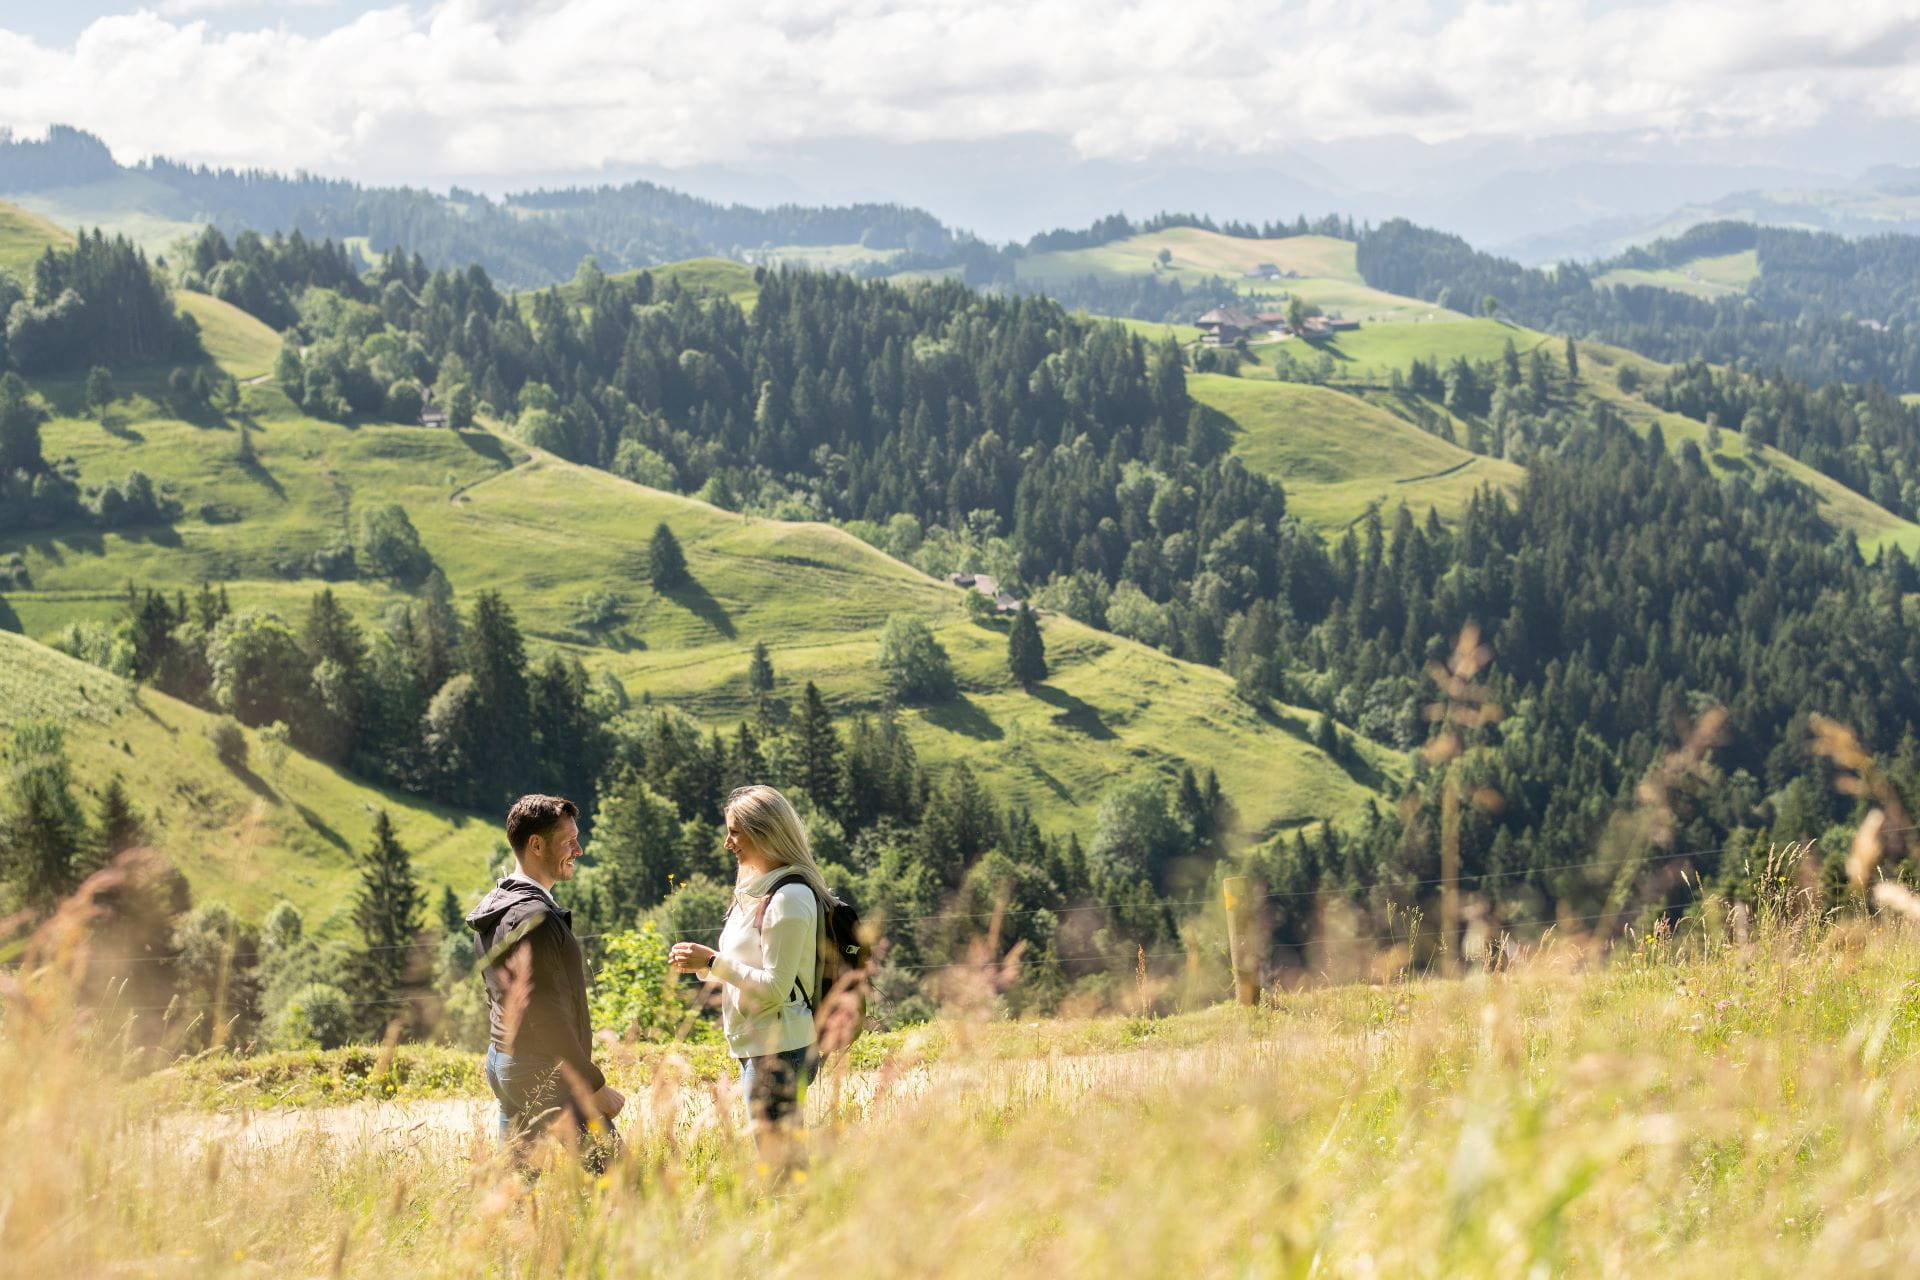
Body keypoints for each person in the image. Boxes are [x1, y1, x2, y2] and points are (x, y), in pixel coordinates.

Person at [668, 784, 823, 1171]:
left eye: (735, 831)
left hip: (779, 1048)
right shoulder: (759, 891)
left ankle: (791, 1227)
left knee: (781, 1165)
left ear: (764, 830)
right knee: (779, 1159)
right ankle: (794, 1225)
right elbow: (743, 967)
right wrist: (703, 964)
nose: (727, 843)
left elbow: (775, 989)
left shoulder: (789, 897)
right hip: (761, 1044)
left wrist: (714, 961)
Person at [466, 794, 623, 1158]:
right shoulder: (533, 918)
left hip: (505, 1059)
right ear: (536, 844)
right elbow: (546, 1013)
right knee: (619, 1178)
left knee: (516, 1185)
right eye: (569, 841)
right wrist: (592, 1085)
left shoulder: (500, 904)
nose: (579, 850)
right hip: (539, 1068)